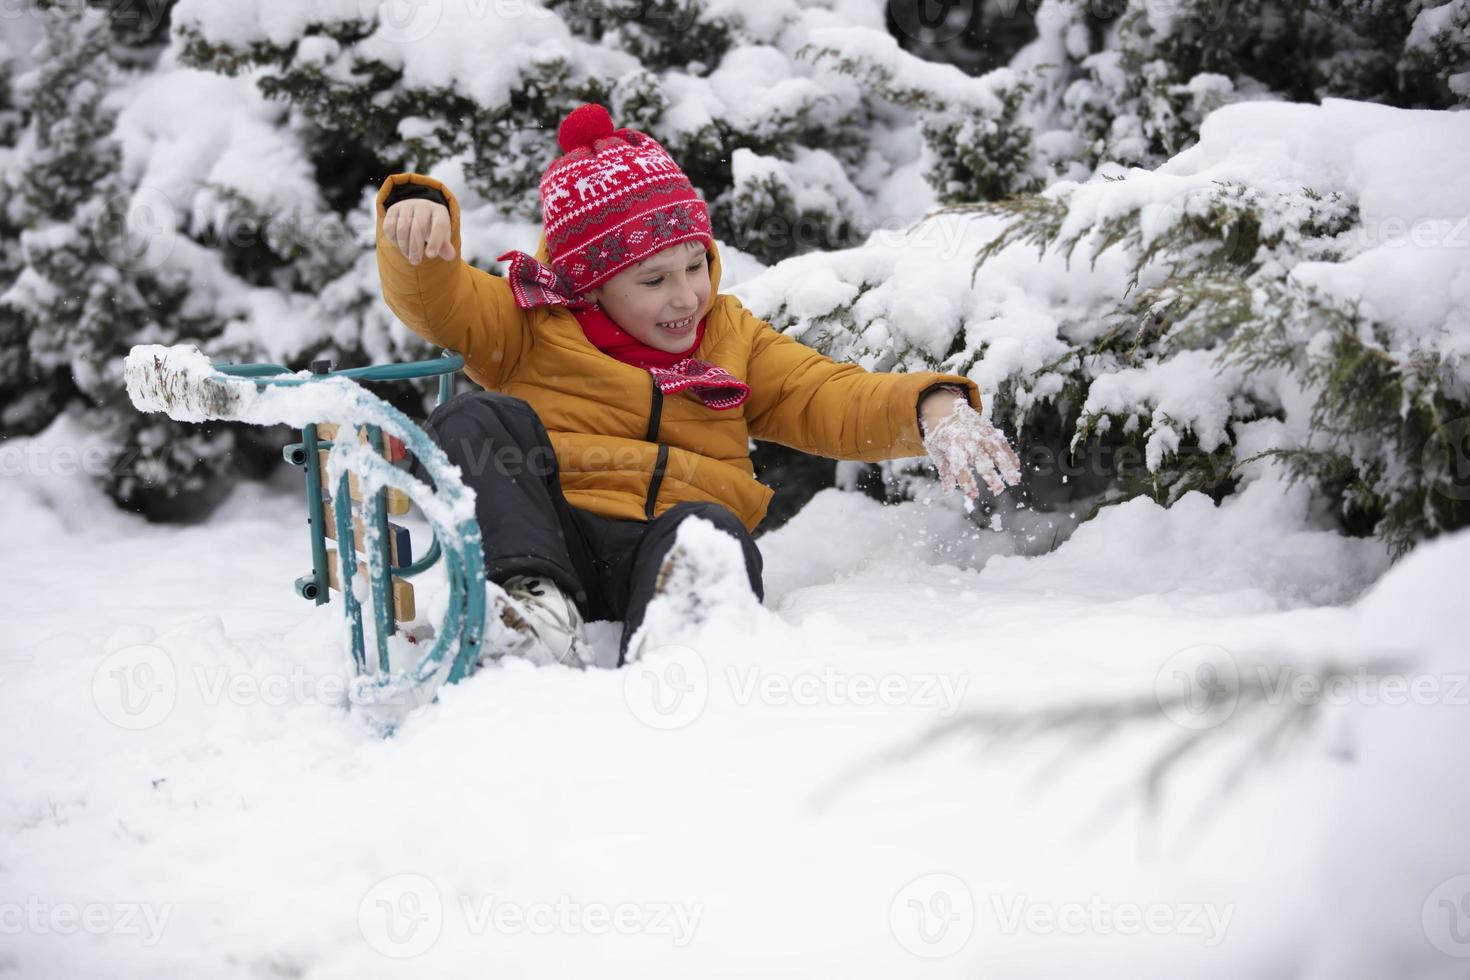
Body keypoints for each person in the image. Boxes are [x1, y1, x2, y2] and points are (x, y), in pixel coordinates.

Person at [375, 103, 1021, 670]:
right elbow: (441, 301)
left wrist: (930, 406)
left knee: (709, 531)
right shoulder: (531, 324)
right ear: (590, 285)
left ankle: (684, 636)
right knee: (474, 420)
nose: (686, 296)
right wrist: (417, 227)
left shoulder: (730, 338)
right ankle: (530, 616)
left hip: (666, 544)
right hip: (555, 537)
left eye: (696, 265)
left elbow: (824, 393)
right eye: (653, 281)